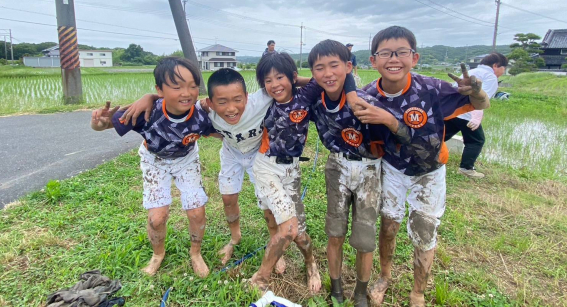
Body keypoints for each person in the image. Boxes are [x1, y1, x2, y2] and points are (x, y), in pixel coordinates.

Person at [119, 68, 312, 269]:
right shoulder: (205, 112)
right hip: (231, 153)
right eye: (221, 102)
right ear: (210, 103)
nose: (231, 109)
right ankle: (234, 238)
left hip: (258, 155)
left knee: (267, 203)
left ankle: (275, 247)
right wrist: (149, 97)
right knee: (228, 198)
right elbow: (178, 103)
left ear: (247, 96)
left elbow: (284, 84)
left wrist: (293, 77)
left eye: (238, 100)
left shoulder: (261, 99)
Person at [354, 26, 490, 307]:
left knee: (424, 231)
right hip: (393, 169)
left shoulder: (432, 88)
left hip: (430, 171)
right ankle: (385, 276)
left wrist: (476, 91)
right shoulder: (368, 95)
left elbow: (481, 103)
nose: (394, 59)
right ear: (373, 61)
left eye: (402, 52)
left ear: (414, 58)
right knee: (389, 225)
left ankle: (418, 292)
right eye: (385, 53)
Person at [307, 40, 412, 307]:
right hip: (336, 167)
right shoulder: (314, 101)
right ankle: (337, 286)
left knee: (365, 238)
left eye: (335, 66)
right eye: (320, 68)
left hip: (368, 171)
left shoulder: (367, 103)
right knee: (335, 232)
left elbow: (401, 134)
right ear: (312, 72)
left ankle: (361, 292)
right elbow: (288, 88)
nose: (328, 73)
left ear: (349, 67)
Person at [90, 57, 216, 278]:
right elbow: (106, 124)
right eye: (176, 87)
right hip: (154, 161)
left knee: (197, 212)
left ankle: (195, 253)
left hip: (186, 160)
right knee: (156, 218)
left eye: (193, 86)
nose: (186, 93)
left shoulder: (200, 115)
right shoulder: (146, 111)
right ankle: (157, 254)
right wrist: (98, 123)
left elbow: (224, 132)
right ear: (159, 89)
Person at [249, 52, 325, 294]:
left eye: (279, 77)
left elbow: (321, 79)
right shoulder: (263, 102)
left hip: (291, 168)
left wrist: (294, 80)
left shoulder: (305, 97)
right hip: (265, 166)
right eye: (267, 81)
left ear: (292, 77)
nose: (274, 85)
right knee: (272, 217)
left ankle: (310, 262)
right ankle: (262, 276)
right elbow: (231, 104)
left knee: (297, 232)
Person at [444, 52, 508, 178]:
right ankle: (466, 168)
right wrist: (476, 117)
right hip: (466, 113)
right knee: (476, 140)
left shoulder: (472, 71)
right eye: (503, 69)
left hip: (451, 110)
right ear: (496, 65)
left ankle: (417, 155)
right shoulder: (490, 77)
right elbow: (479, 99)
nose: (502, 72)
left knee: (441, 135)